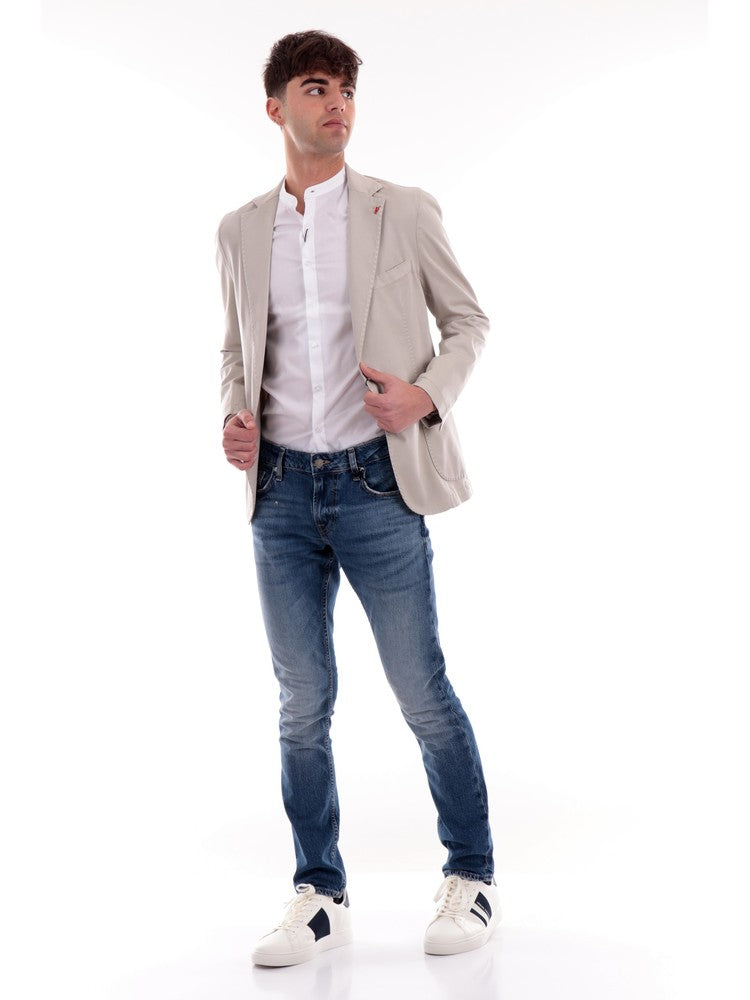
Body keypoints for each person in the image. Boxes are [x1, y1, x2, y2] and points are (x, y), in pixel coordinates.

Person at [215, 29, 499, 967]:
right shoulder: (240, 230)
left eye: (345, 89)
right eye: (316, 87)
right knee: (301, 704)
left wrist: (426, 395)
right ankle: (319, 892)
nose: (337, 103)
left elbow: (467, 321)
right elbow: (236, 349)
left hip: (378, 482)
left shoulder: (400, 209)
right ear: (276, 107)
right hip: (280, 492)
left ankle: (471, 875)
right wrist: (233, 417)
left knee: (422, 691)